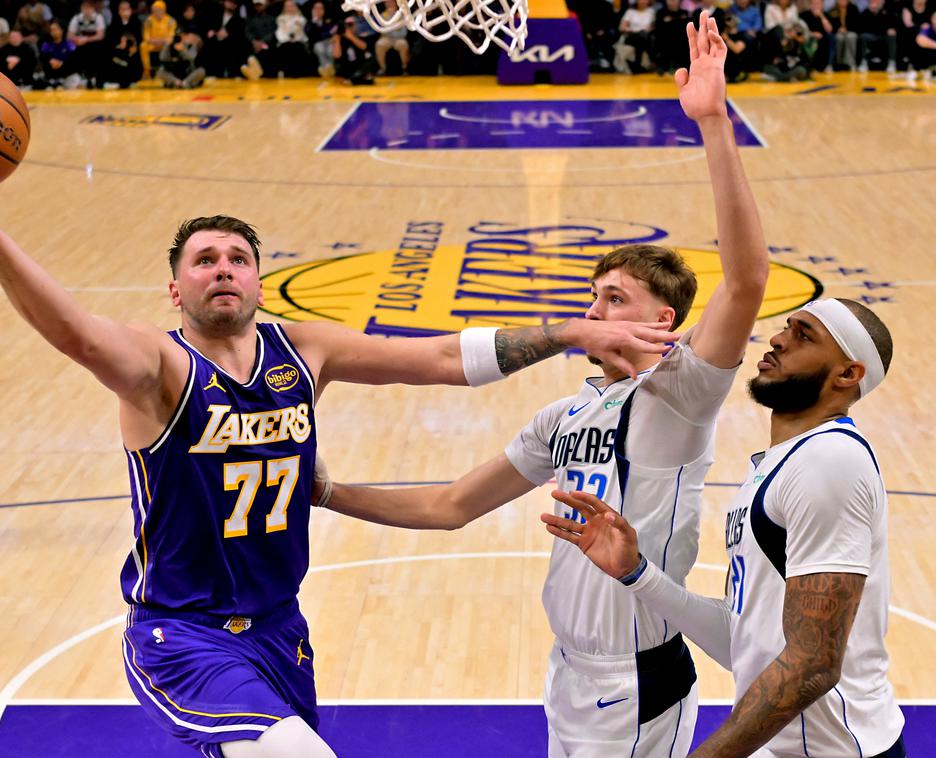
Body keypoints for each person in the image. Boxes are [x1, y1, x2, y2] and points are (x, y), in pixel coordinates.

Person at [0, 134, 676, 756]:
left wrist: (569, 331)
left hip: (279, 629)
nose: (223, 270)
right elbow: (74, 333)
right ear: (176, 289)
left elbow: (439, 359)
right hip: (182, 636)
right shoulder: (158, 366)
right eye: (204, 261)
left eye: (238, 259)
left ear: (260, 284)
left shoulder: (302, 351)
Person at [313, 14, 769, 757]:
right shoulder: (566, 415)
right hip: (567, 673)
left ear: (663, 319)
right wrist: (330, 493)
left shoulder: (682, 397)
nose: (595, 313)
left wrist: (713, 123)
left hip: (636, 680)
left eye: (615, 299)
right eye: (593, 298)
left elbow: (746, 280)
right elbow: (451, 506)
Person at [543, 297, 905, 757]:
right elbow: (745, 642)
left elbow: (813, 665)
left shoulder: (831, 461)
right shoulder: (783, 463)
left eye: (804, 336)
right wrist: (637, 573)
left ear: (848, 374)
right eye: (787, 327)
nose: (779, 339)